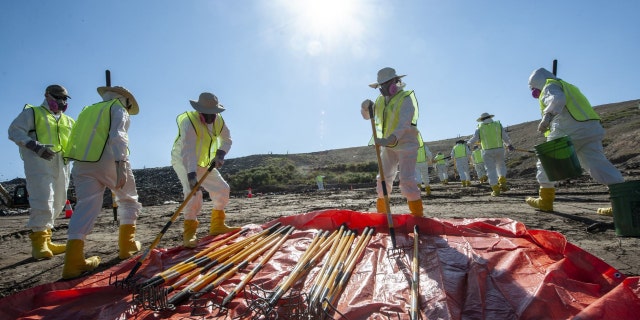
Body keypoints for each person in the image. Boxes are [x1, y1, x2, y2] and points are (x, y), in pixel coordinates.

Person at [61, 85, 142, 279]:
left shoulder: (87, 110)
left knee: (85, 206)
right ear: (127, 100)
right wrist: (121, 163)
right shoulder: (118, 108)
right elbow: (118, 136)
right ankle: (127, 246)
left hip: (82, 163)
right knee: (128, 198)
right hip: (109, 160)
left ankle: (73, 262)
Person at [527, 68, 624, 214]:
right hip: (590, 128)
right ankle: (622, 203)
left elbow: (557, 99)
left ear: (536, 83)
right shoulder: (568, 86)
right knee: (597, 165)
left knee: (546, 161)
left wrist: (547, 117)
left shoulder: (549, 85)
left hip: (568, 128)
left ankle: (545, 201)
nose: (535, 93)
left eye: (534, 89)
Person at [8, 85, 75, 260]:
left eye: (64, 99)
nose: (61, 102)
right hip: (39, 162)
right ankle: (39, 244)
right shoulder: (33, 113)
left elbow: (76, 140)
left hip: (61, 163)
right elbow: (14, 131)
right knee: (44, 199)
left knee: (59, 201)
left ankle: (48, 239)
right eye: (58, 98)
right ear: (47, 95)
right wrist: (34, 146)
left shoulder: (68, 120)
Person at [171, 92, 239, 248]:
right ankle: (189, 233)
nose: (210, 118)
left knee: (223, 189)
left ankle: (217, 225)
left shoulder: (219, 120)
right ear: (199, 110)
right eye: (207, 114)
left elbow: (227, 139)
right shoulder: (189, 122)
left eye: (213, 114)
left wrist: (220, 154)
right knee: (193, 193)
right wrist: (192, 176)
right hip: (183, 161)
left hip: (204, 161)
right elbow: (188, 151)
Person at [360, 67, 424, 217]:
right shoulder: (381, 101)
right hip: (387, 145)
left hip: (406, 144)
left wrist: (391, 138)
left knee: (407, 180)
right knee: (383, 178)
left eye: (386, 84)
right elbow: (367, 116)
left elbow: (404, 123)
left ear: (395, 82)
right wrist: (364, 107)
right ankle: (383, 213)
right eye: (381, 86)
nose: (383, 89)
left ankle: (418, 216)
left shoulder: (405, 98)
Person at [467, 112, 514, 196]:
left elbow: (474, 139)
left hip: (487, 151)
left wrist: (468, 144)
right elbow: (505, 136)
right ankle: (502, 181)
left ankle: (495, 189)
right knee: (501, 166)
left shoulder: (479, 128)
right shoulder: (498, 124)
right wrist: (509, 145)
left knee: (491, 169)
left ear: (481, 120)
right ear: (490, 117)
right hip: (499, 149)